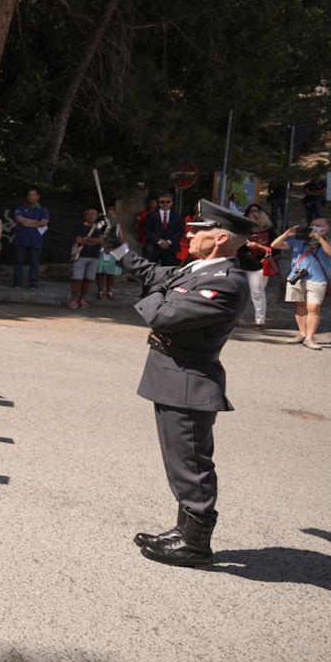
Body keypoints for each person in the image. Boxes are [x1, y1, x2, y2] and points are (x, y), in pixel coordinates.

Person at [103, 201, 252, 567]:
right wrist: (118, 247)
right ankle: (183, 530)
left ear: (219, 238)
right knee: (179, 461)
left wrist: (161, 292)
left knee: (191, 464)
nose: (189, 233)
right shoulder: (201, 269)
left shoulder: (226, 283)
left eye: (197, 229)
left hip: (189, 382)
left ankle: (195, 545)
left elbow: (161, 314)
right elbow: (156, 274)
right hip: (174, 377)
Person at [272, 218, 331, 350]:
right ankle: (302, 334)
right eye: (312, 225)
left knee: (313, 307)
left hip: (317, 279)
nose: (315, 227)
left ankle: (310, 338)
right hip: (297, 277)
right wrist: (287, 233)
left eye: (319, 226)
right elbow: (275, 245)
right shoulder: (299, 240)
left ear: (327, 228)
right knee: (300, 305)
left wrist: (320, 238)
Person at [237, 204, 274, 330]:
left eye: (256, 213)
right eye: (250, 213)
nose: (253, 216)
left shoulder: (268, 232)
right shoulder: (243, 230)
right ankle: (236, 318)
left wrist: (259, 247)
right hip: (243, 264)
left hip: (260, 265)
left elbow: (275, 250)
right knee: (241, 293)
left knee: (257, 293)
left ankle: (260, 321)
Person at [10, 186, 49, 290]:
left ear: (38, 196)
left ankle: (33, 283)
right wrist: (36, 222)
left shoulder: (42, 209)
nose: (30, 197)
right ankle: (17, 282)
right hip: (20, 239)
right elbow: (19, 219)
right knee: (18, 261)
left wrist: (27, 222)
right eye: (29, 195)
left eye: (33, 195)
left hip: (36, 240)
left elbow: (44, 222)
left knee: (34, 262)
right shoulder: (20, 207)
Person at [67, 208, 104, 309]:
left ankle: (82, 298)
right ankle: (74, 299)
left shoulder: (100, 228)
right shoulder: (79, 226)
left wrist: (87, 239)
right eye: (90, 214)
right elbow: (79, 240)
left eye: (94, 214)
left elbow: (102, 240)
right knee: (77, 279)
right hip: (81, 255)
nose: (92, 216)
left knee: (89, 279)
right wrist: (94, 241)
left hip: (95, 256)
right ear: (85, 215)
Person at [95, 208, 123, 300]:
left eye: (113, 214)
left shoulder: (117, 226)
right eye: (109, 214)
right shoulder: (100, 225)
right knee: (100, 272)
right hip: (101, 250)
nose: (111, 216)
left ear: (115, 215)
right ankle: (100, 290)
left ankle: (110, 291)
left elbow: (121, 238)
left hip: (112, 252)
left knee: (111, 273)